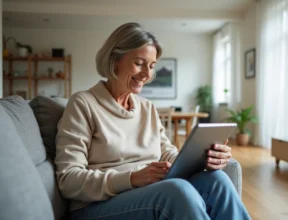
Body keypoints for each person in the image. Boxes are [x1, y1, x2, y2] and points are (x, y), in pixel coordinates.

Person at [55, 22, 251, 220]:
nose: (147, 74)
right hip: (96, 206)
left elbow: (167, 153)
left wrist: (203, 159)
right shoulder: (83, 104)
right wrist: (131, 179)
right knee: (177, 190)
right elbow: (68, 179)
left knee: (216, 180)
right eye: (139, 63)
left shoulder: (147, 107)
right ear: (115, 60)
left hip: (148, 192)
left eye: (151, 66)